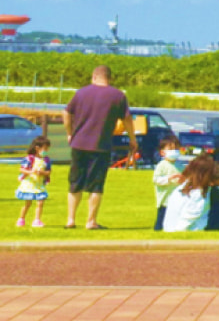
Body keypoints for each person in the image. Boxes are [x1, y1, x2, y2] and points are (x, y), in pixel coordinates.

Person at [62, 65, 135, 230]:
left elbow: (66, 112)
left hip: (79, 143)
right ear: (110, 78)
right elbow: (127, 119)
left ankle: (70, 220)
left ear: (94, 77)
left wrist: (69, 133)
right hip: (101, 145)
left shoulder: (81, 93)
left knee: (75, 182)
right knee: (96, 184)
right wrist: (132, 138)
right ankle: (90, 221)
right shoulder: (118, 95)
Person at [161, 154, 219, 233]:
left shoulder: (182, 187)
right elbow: (186, 221)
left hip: (169, 228)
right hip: (185, 232)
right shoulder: (197, 193)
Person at [15, 137, 51, 228]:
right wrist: (31, 172)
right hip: (30, 184)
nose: (46, 151)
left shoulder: (46, 160)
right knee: (28, 203)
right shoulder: (29, 159)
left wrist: (42, 173)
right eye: (45, 149)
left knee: (40, 202)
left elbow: (49, 171)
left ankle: (37, 220)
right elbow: (22, 169)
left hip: (39, 185)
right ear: (37, 148)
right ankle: (21, 218)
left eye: (47, 149)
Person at [151, 137, 184, 230]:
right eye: (170, 149)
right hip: (165, 199)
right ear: (162, 152)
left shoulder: (180, 166)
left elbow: (186, 178)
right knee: (162, 219)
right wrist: (169, 178)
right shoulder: (161, 165)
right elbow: (156, 180)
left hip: (178, 199)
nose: (174, 152)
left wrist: (183, 180)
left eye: (176, 149)